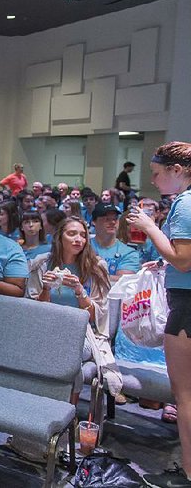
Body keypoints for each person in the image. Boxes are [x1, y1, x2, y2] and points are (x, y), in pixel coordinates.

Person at [125, 142, 191, 488]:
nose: (153, 181)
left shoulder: (184, 203)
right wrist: (166, 262)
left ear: (177, 171)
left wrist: (150, 226)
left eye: (156, 173)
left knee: (185, 396)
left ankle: (189, 472)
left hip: (187, 304)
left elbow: (184, 259)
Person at [26, 217, 114, 403]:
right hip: (46, 328)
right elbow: (33, 311)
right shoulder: (42, 264)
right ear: (60, 238)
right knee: (41, 345)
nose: (78, 239)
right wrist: (46, 288)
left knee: (64, 349)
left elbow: (96, 317)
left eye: (83, 235)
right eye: (72, 233)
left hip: (82, 333)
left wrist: (80, 292)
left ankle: (65, 409)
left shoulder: (96, 267)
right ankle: (35, 404)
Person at [90, 204, 139, 282]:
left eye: (115, 219)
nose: (112, 222)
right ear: (94, 222)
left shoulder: (129, 252)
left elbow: (124, 281)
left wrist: (90, 275)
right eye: (107, 219)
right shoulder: (83, 247)